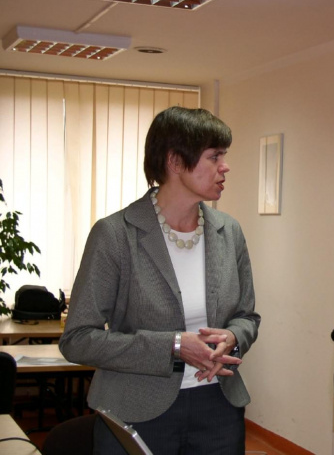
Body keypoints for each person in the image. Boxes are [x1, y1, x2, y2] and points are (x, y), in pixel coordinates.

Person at [60, 106, 261, 454]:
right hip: (136, 409)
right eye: (214, 157)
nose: (224, 167)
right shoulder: (115, 234)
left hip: (218, 407)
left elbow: (248, 317)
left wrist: (232, 337)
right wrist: (173, 346)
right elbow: (77, 339)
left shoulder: (229, 231)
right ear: (174, 161)